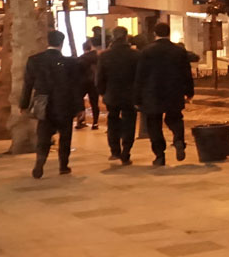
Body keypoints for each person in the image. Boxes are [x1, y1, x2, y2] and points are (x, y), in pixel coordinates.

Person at [20, 30, 81, 178]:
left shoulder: (34, 60)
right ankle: (63, 165)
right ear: (62, 43)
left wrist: (24, 104)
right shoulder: (70, 63)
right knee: (65, 136)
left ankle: (40, 163)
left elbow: (28, 84)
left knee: (43, 135)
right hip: (64, 103)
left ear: (48, 41)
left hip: (43, 103)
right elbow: (76, 87)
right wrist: (79, 107)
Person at [134, 21, 193, 166]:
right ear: (168, 33)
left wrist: (137, 98)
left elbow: (140, 76)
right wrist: (189, 91)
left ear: (155, 34)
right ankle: (178, 140)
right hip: (174, 91)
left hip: (152, 93)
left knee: (154, 124)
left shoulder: (147, 51)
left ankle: (160, 155)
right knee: (175, 118)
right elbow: (187, 73)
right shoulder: (179, 51)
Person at [97, 26, 140, 165]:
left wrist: (102, 92)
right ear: (126, 37)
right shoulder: (135, 55)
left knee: (112, 121)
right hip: (130, 95)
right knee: (130, 122)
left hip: (112, 94)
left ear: (113, 37)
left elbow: (100, 77)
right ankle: (126, 151)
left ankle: (115, 150)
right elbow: (140, 77)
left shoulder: (105, 55)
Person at [75, 39, 101, 131]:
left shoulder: (81, 58)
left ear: (84, 49)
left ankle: (81, 120)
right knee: (94, 103)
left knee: (79, 99)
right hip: (94, 82)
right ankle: (95, 123)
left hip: (83, 83)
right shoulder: (98, 57)